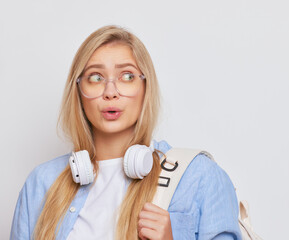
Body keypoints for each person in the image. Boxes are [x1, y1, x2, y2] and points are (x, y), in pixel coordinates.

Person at [10, 25, 241, 240]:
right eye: (96, 78)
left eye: (127, 76)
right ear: (79, 91)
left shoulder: (198, 176)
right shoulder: (41, 183)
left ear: (145, 87)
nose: (110, 92)